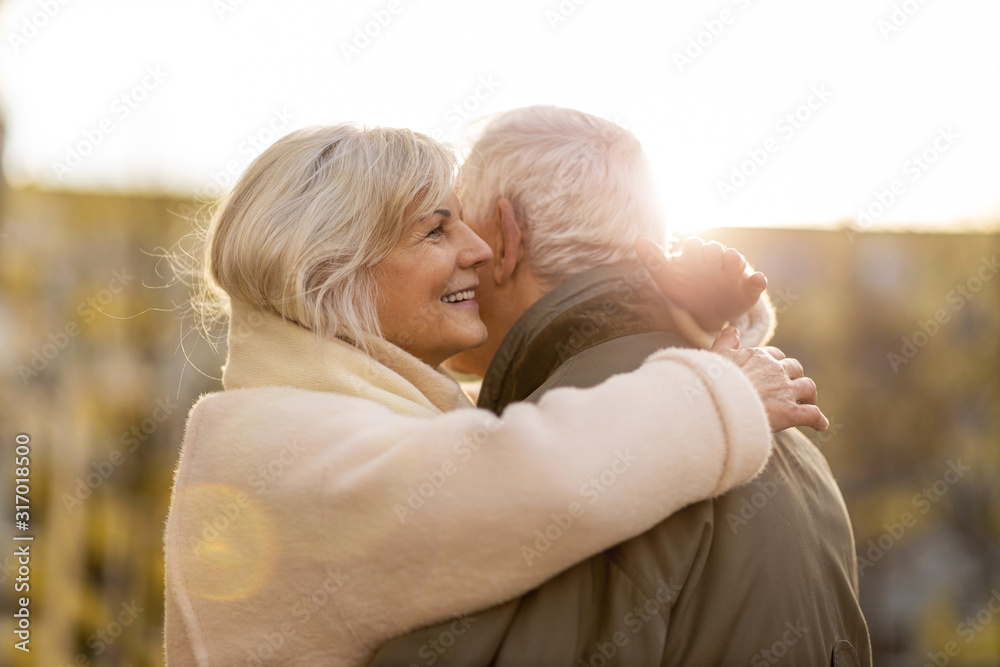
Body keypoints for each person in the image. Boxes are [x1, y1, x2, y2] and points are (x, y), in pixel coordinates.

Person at [163, 123, 826, 666]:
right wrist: (719, 394)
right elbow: (532, 474)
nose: (479, 248)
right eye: (436, 230)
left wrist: (700, 324)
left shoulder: (331, 417)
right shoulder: (273, 445)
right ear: (330, 273)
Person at [372, 106, 871, 666]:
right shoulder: (783, 438)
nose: (460, 252)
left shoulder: (572, 459)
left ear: (508, 240)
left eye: (460, 222)